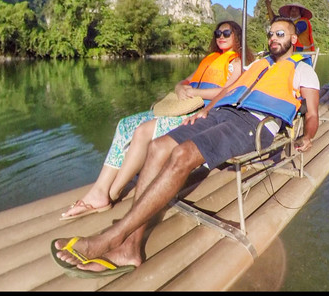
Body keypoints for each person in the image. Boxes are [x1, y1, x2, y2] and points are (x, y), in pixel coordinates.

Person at [52, 16, 320, 276]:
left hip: (253, 124)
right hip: (222, 114)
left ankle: (113, 237)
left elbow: (312, 114)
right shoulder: (258, 65)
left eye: (280, 34)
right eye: (271, 34)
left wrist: (306, 137)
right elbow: (229, 91)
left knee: (182, 154)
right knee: (157, 147)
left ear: (294, 39)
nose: (273, 38)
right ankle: (130, 248)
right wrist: (206, 111)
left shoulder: (303, 70)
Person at [60, 20, 254, 220]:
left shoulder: (237, 63)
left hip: (202, 112)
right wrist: (180, 87)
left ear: (237, 35)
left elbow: (229, 91)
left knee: (143, 130)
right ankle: (100, 188)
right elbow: (185, 80)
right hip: (180, 106)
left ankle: (110, 193)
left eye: (226, 32)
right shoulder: (211, 59)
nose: (220, 36)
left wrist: (195, 91)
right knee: (125, 124)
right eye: (217, 33)